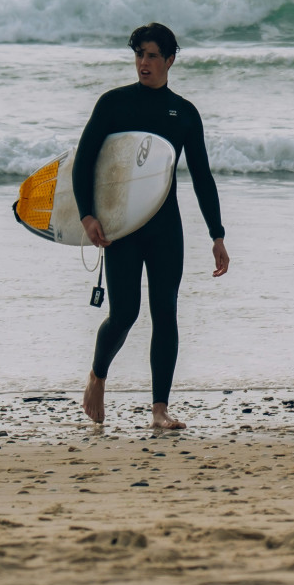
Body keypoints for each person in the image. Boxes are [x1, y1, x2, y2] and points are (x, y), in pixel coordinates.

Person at [73, 22, 230, 430]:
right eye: (139, 54)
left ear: (170, 60)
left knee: (165, 312)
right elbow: (84, 161)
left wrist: (217, 234)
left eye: (152, 55)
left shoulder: (184, 114)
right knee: (124, 314)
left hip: (165, 229)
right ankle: (98, 375)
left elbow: (202, 176)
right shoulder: (113, 104)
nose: (144, 62)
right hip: (122, 227)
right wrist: (87, 215)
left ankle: (159, 409)